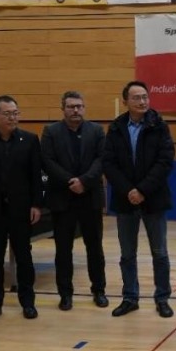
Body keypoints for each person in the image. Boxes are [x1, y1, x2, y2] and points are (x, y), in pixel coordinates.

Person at [102, 81, 175, 318]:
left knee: (159, 252)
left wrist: (142, 190)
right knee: (127, 254)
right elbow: (109, 164)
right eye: (136, 98)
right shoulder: (115, 128)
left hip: (154, 198)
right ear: (125, 102)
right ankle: (130, 298)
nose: (142, 101)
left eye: (145, 97)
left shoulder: (159, 125)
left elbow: (165, 161)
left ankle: (162, 298)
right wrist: (129, 191)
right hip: (125, 200)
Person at [0, 95, 43, 322]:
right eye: (7, 113)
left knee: (24, 257)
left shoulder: (30, 140)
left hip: (21, 210)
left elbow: (35, 176)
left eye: (15, 113)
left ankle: (28, 302)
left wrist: (36, 204)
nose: (13, 117)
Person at [41, 91, 108, 311]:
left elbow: (102, 160)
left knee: (95, 248)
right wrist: (71, 181)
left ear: (84, 108)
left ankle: (99, 290)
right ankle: (65, 294)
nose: (75, 110)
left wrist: (84, 182)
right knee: (63, 250)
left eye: (79, 106)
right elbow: (47, 161)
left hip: (90, 197)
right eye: (71, 106)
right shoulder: (51, 132)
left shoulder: (96, 131)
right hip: (62, 198)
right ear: (63, 109)